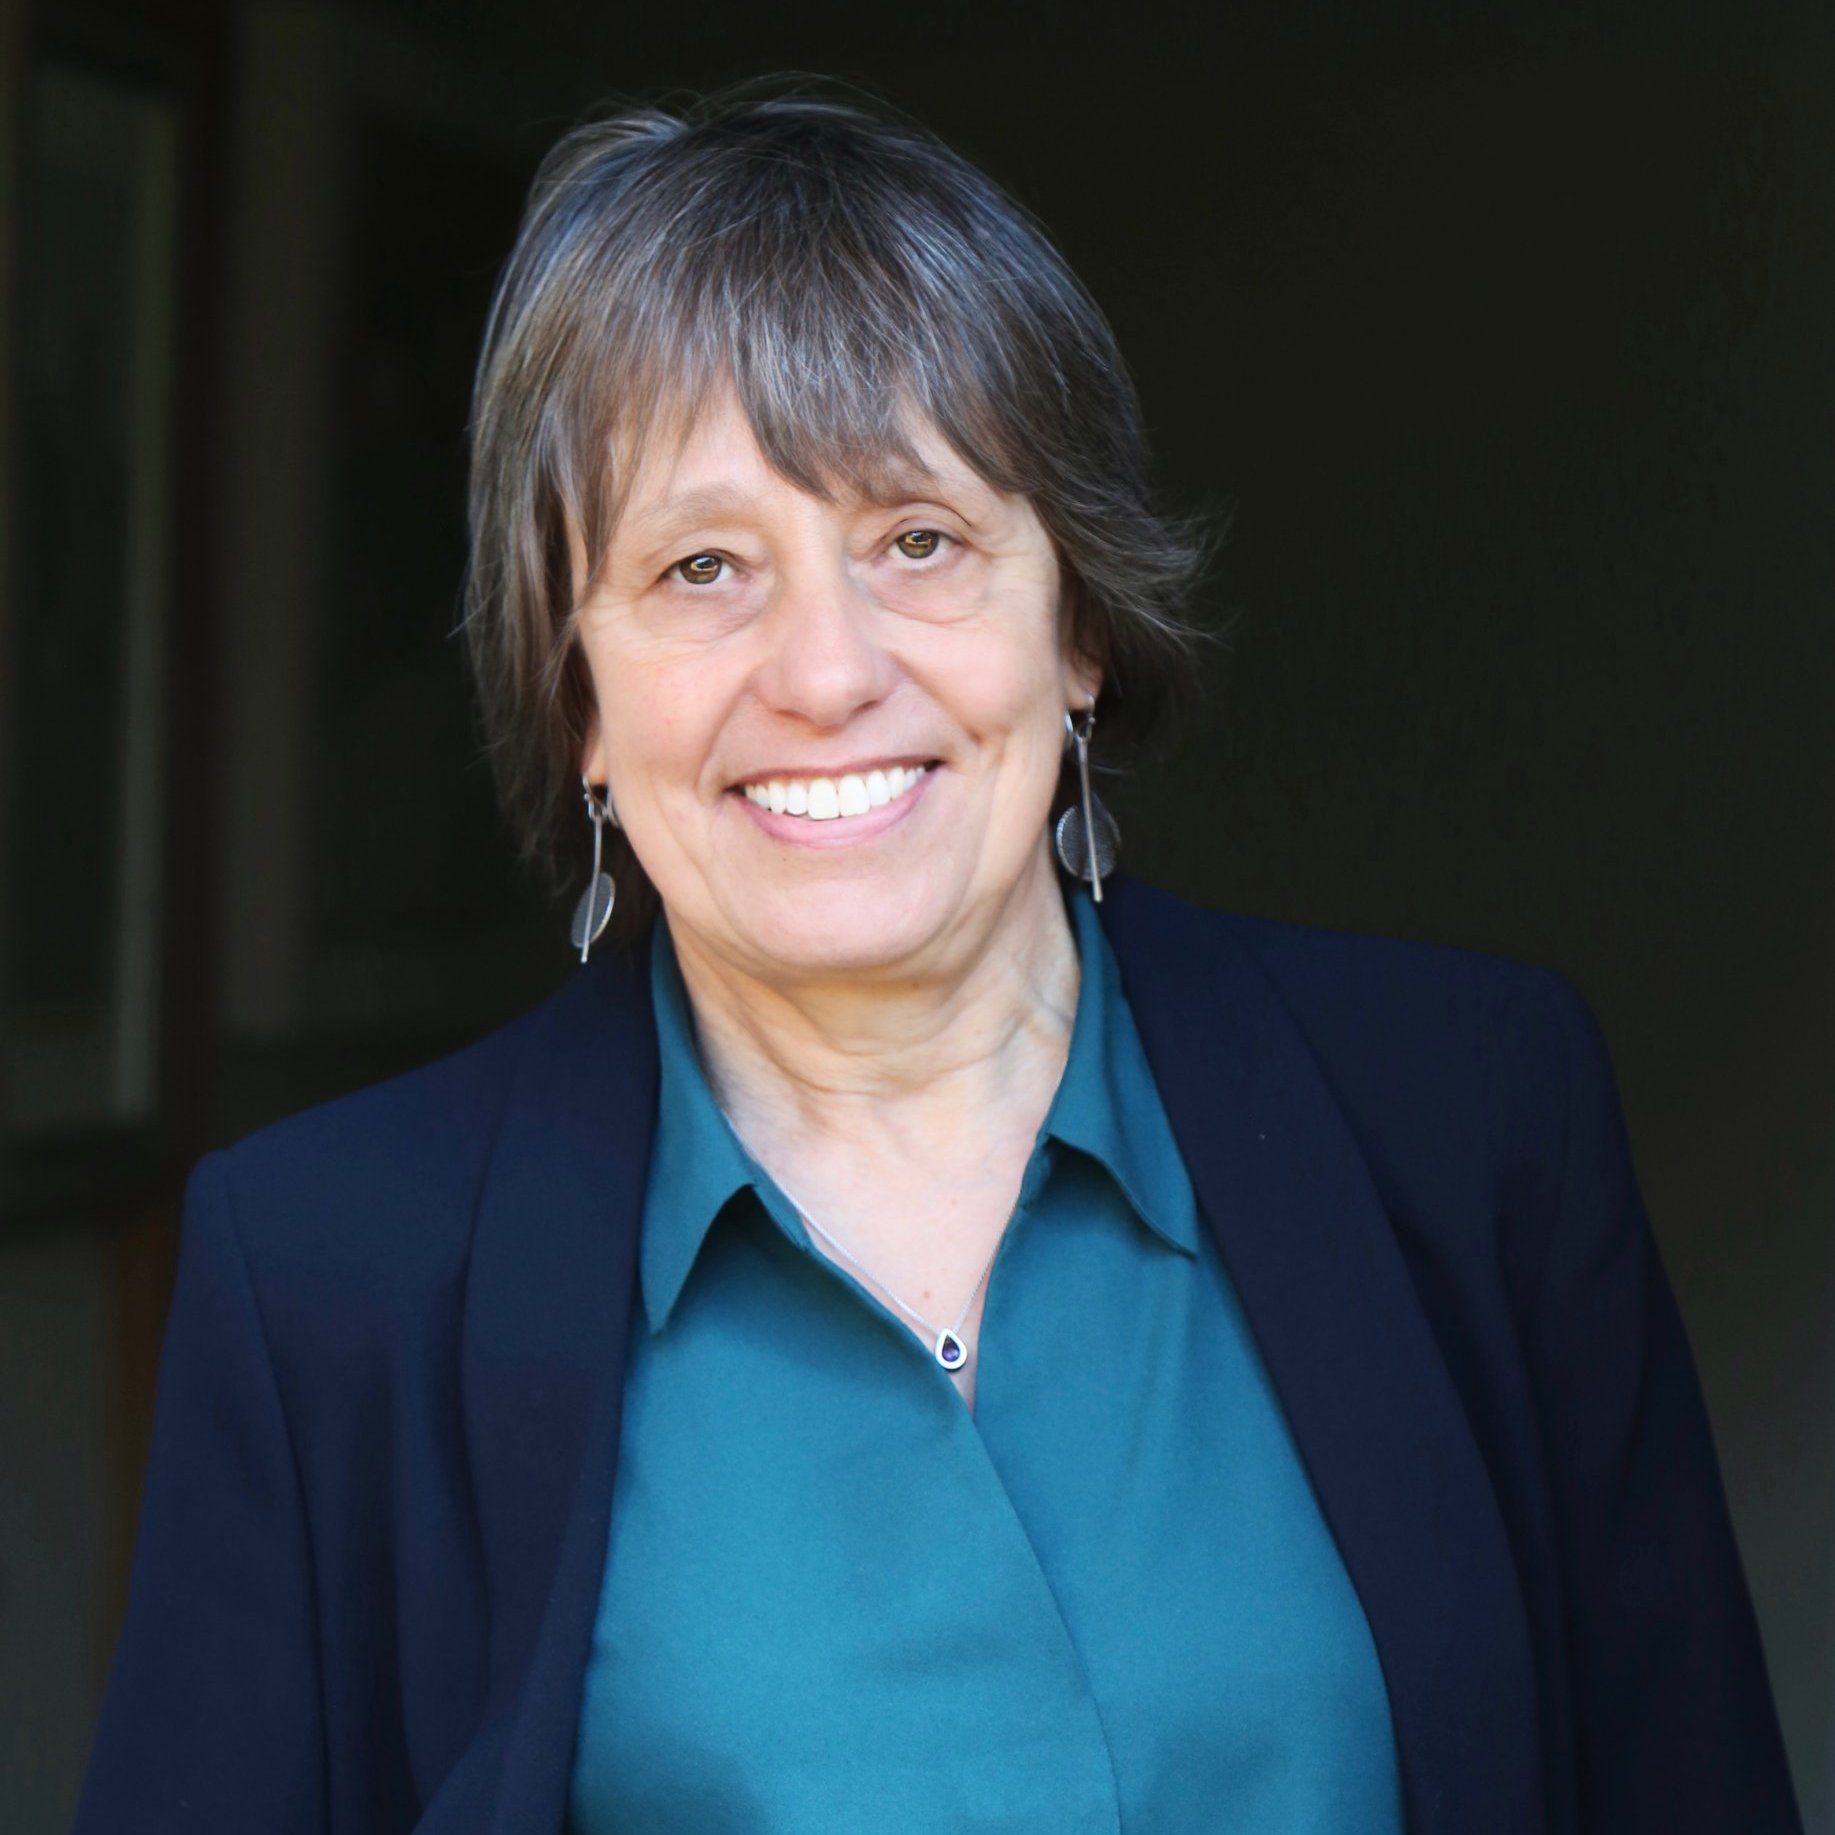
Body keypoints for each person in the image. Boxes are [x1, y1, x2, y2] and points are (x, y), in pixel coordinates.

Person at [75, 84, 1800, 1835]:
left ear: (1080, 630)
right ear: (578, 698)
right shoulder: (324, 1282)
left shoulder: (1480, 1119)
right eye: (701, 566)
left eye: (920, 540)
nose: (825, 671)